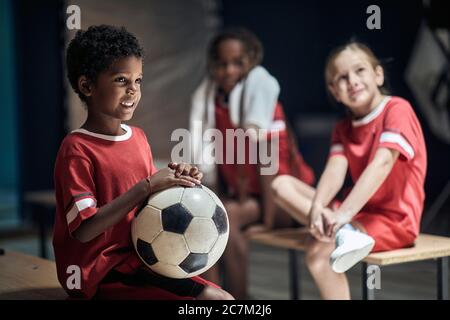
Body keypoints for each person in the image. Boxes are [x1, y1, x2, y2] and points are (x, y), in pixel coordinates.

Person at [53, 25, 233, 300]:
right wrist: (148, 185)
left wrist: (178, 180)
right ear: (87, 85)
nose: (133, 90)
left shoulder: (138, 137)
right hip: (100, 272)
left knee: (222, 298)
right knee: (216, 301)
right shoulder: (76, 148)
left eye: (138, 81)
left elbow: (151, 204)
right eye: (121, 80)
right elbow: (84, 229)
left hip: (142, 260)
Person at [271, 41, 427, 299]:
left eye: (359, 71)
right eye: (342, 78)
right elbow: (334, 170)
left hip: (394, 221)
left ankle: (344, 230)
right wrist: (318, 207)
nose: (352, 81)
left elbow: (383, 162)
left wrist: (342, 213)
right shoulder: (343, 127)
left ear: (378, 74)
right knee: (280, 185)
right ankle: (344, 232)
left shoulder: (397, 108)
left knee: (317, 255)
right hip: (357, 214)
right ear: (334, 90)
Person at [190, 28, 315, 299]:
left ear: (251, 63)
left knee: (226, 217)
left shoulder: (265, 105)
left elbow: (271, 170)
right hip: (246, 199)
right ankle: (213, 296)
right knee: (205, 216)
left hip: (284, 202)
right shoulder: (214, 103)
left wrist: (269, 222)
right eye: (222, 64)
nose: (229, 71)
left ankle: (239, 299)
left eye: (237, 63)